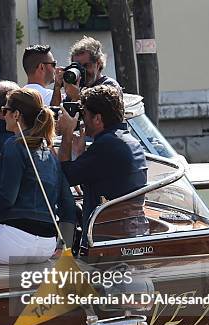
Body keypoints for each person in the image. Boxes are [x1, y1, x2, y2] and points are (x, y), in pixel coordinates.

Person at [0, 88, 76, 264]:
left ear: (16, 115)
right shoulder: (50, 153)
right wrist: (64, 246)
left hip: (12, 242)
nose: (3, 115)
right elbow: (68, 204)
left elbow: (5, 199)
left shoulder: (13, 145)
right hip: (46, 245)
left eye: (5, 110)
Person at [58, 85, 147, 244]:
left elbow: (64, 177)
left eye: (84, 114)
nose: (82, 119)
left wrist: (66, 133)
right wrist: (81, 155)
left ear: (98, 119)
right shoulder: (129, 141)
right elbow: (103, 182)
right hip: (130, 231)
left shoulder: (107, 145)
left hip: (106, 239)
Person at [60, 36, 122, 102]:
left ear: (98, 64)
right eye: (77, 67)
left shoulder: (109, 86)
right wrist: (57, 87)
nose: (82, 71)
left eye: (86, 65)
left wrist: (78, 97)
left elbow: (102, 110)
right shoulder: (77, 87)